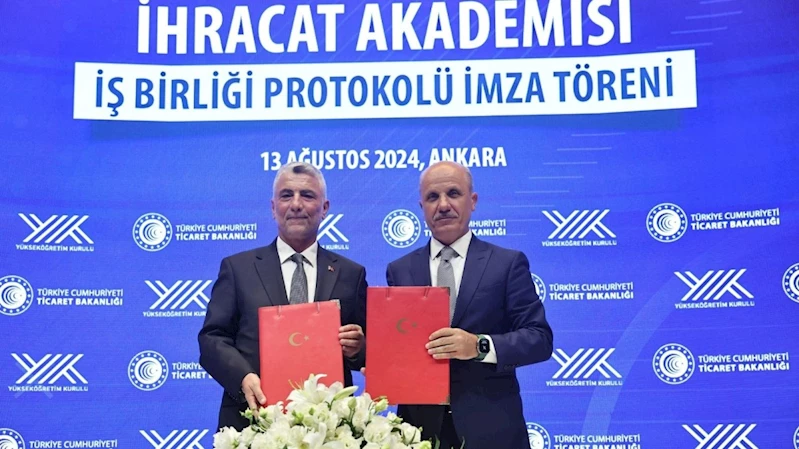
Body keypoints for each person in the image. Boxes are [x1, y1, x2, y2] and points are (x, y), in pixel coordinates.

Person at [386, 161, 553, 449]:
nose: (443, 205)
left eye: (453, 193)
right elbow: (398, 342)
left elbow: (539, 339)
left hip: (493, 431)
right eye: (432, 197)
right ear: (422, 207)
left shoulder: (507, 264)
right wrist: (382, 363)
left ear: (472, 201)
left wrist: (478, 346)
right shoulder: (400, 270)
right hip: (419, 432)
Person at [199, 162, 367, 431]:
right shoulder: (238, 269)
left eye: (307, 195)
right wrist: (242, 377)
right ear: (273, 207)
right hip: (253, 420)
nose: (296, 204)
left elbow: (369, 352)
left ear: (325, 208)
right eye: (286, 195)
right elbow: (212, 338)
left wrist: (358, 348)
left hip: (329, 428)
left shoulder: (351, 273)